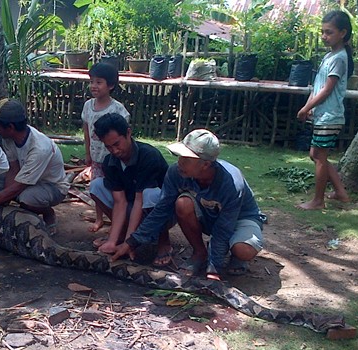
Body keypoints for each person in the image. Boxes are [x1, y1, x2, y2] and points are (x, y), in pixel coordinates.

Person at [111, 129, 266, 280]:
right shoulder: (176, 173)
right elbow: (161, 211)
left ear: (205, 164)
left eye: (186, 159)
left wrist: (214, 268)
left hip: (240, 218)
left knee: (243, 250)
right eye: (179, 157)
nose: (179, 162)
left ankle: (236, 255)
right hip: (210, 213)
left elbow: (224, 227)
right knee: (183, 203)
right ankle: (200, 253)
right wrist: (131, 242)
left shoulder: (232, 183)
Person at [0, 98, 69, 235]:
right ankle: (10, 208)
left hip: (51, 186)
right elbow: (13, 169)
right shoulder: (8, 139)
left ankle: (48, 213)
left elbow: (19, 186)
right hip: (24, 179)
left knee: (26, 199)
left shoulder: (39, 148)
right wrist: (4, 202)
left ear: (10, 127)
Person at [89, 113, 170, 264]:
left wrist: (128, 244)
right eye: (108, 147)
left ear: (128, 132)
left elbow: (140, 200)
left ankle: (163, 242)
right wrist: (113, 242)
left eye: (117, 144)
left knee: (150, 194)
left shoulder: (149, 156)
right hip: (132, 203)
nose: (114, 151)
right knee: (96, 186)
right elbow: (120, 202)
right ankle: (118, 235)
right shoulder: (110, 162)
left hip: (161, 210)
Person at [296, 10, 352, 210]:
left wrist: (306, 108)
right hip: (323, 114)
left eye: (329, 32)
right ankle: (340, 192)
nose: (324, 36)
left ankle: (318, 201)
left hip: (330, 115)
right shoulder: (330, 56)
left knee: (319, 157)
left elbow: (327, 90)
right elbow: (318, 87)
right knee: (316, 154)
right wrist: (310, 106)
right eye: (322, 32)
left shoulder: (339, 58)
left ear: (343, 33)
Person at [82, 62, 130, 234]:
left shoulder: (117, 109)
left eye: (99, 82)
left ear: (110, 85)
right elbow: (86, 130)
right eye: (92, 81)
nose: (94, 86)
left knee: (115, 188)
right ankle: (99, 218)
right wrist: (87, 152)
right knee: (95, 186)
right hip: (97, 157)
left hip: (114, 158)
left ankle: (116, 218)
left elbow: (124, 135)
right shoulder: (88, 106)